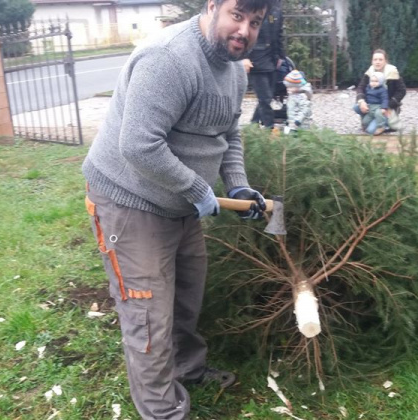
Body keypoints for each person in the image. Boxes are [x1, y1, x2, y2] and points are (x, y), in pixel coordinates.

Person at [81, 0, 272, 418]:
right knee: (147, 315)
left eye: (254, 22)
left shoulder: (234, 71)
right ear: (212, 7)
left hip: (180, 204)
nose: (244, 30)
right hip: (128, 201)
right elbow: (138, 145)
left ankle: (186, 369)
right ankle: (164, 411)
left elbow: (228, 136)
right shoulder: (168, 59)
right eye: (236, 16)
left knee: (186, 295)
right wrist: (195, 187)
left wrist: (236, 185)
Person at [242, 0, 285, 129]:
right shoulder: (253, 7)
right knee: (265, 99)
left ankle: (253, 125)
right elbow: (244, 33)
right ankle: (270, 128)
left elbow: (279, 35)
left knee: (267, 97)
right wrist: (244, 57)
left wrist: (280, 56)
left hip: (271, 59)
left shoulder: (276, 9)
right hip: (255, 60)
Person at [354, 49, 406, 134]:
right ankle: (367, 122)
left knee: (370, 131)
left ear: (385, 61)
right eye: (375, 60)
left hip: (386, 107)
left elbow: (402, 91)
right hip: (372, 106)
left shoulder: (393, 72)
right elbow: (361, 87)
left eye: (380, 60)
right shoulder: (370, 72)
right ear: (372, 61)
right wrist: (362, 101)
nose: (377, 62)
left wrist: (388, 106)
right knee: (356, 107)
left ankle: (385, 123)